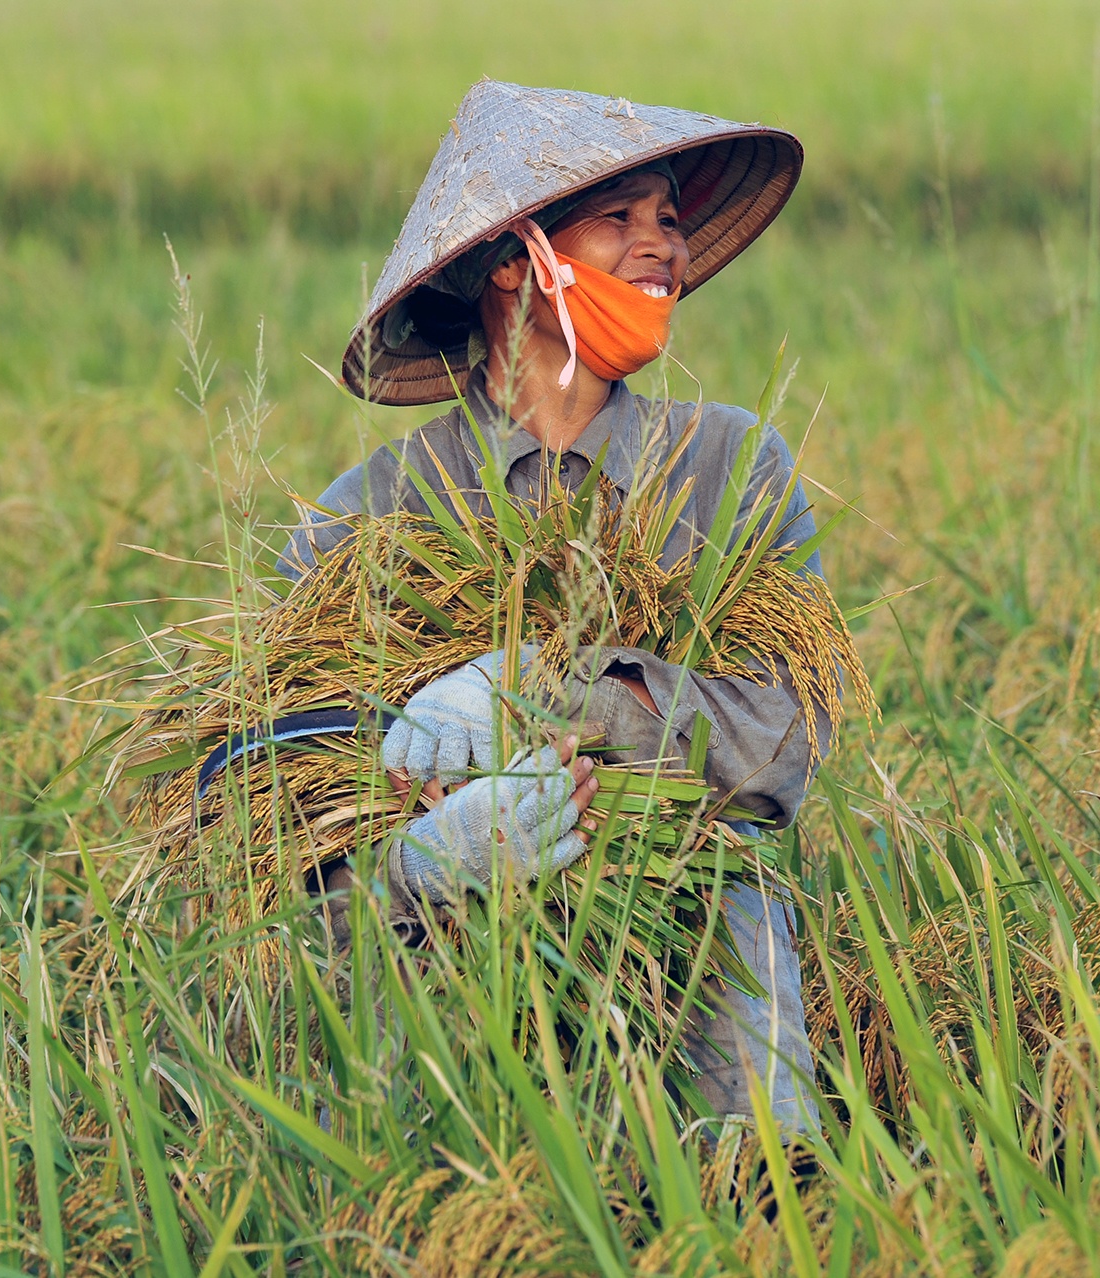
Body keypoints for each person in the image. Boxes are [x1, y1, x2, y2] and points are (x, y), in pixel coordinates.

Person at [278, 81, 825, 1134]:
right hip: (447, 963)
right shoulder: (375, 515)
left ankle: (764, 1179)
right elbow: (273, 794)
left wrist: (553, 688)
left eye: (668, 218)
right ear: (510, 263)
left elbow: (787, 738)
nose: (659, 244)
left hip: (692, 951)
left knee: (733, 885)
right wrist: (418, 864)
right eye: (616, 219)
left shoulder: (727, 465)